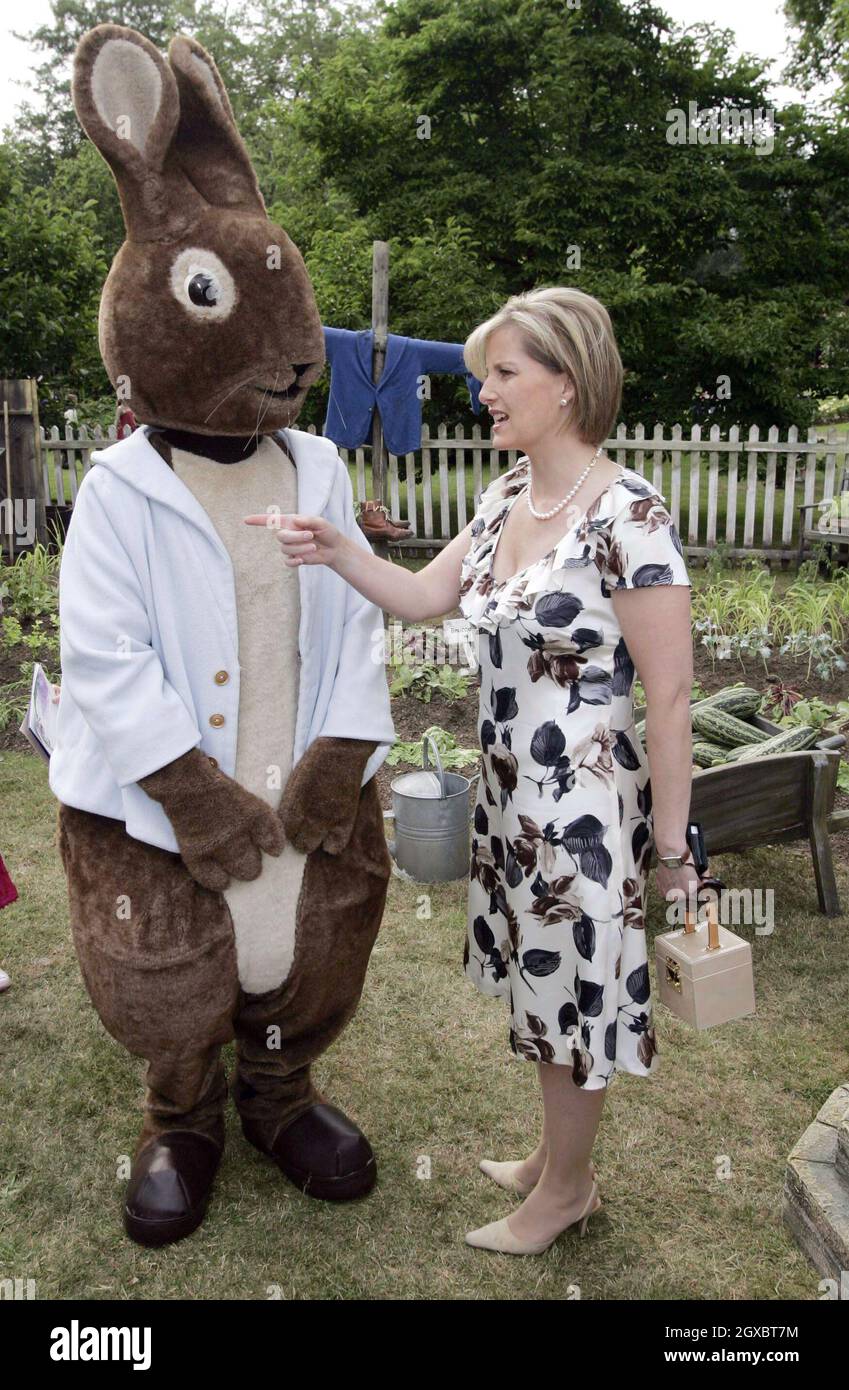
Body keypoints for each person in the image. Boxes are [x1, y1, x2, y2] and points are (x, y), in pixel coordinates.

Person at [246, 285, 702, 1255]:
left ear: (566, 384)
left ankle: (565, 1192)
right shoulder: (505, 500)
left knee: (572, 997)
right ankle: (556, 1158)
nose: (482, 392)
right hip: (512, 805)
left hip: (584, 816)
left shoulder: (631, 514)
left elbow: (669, 696)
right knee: (544, 989)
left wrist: (671, 843)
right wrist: (334, 546)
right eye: (485, 373)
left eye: (503, 373)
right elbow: (418, 595)